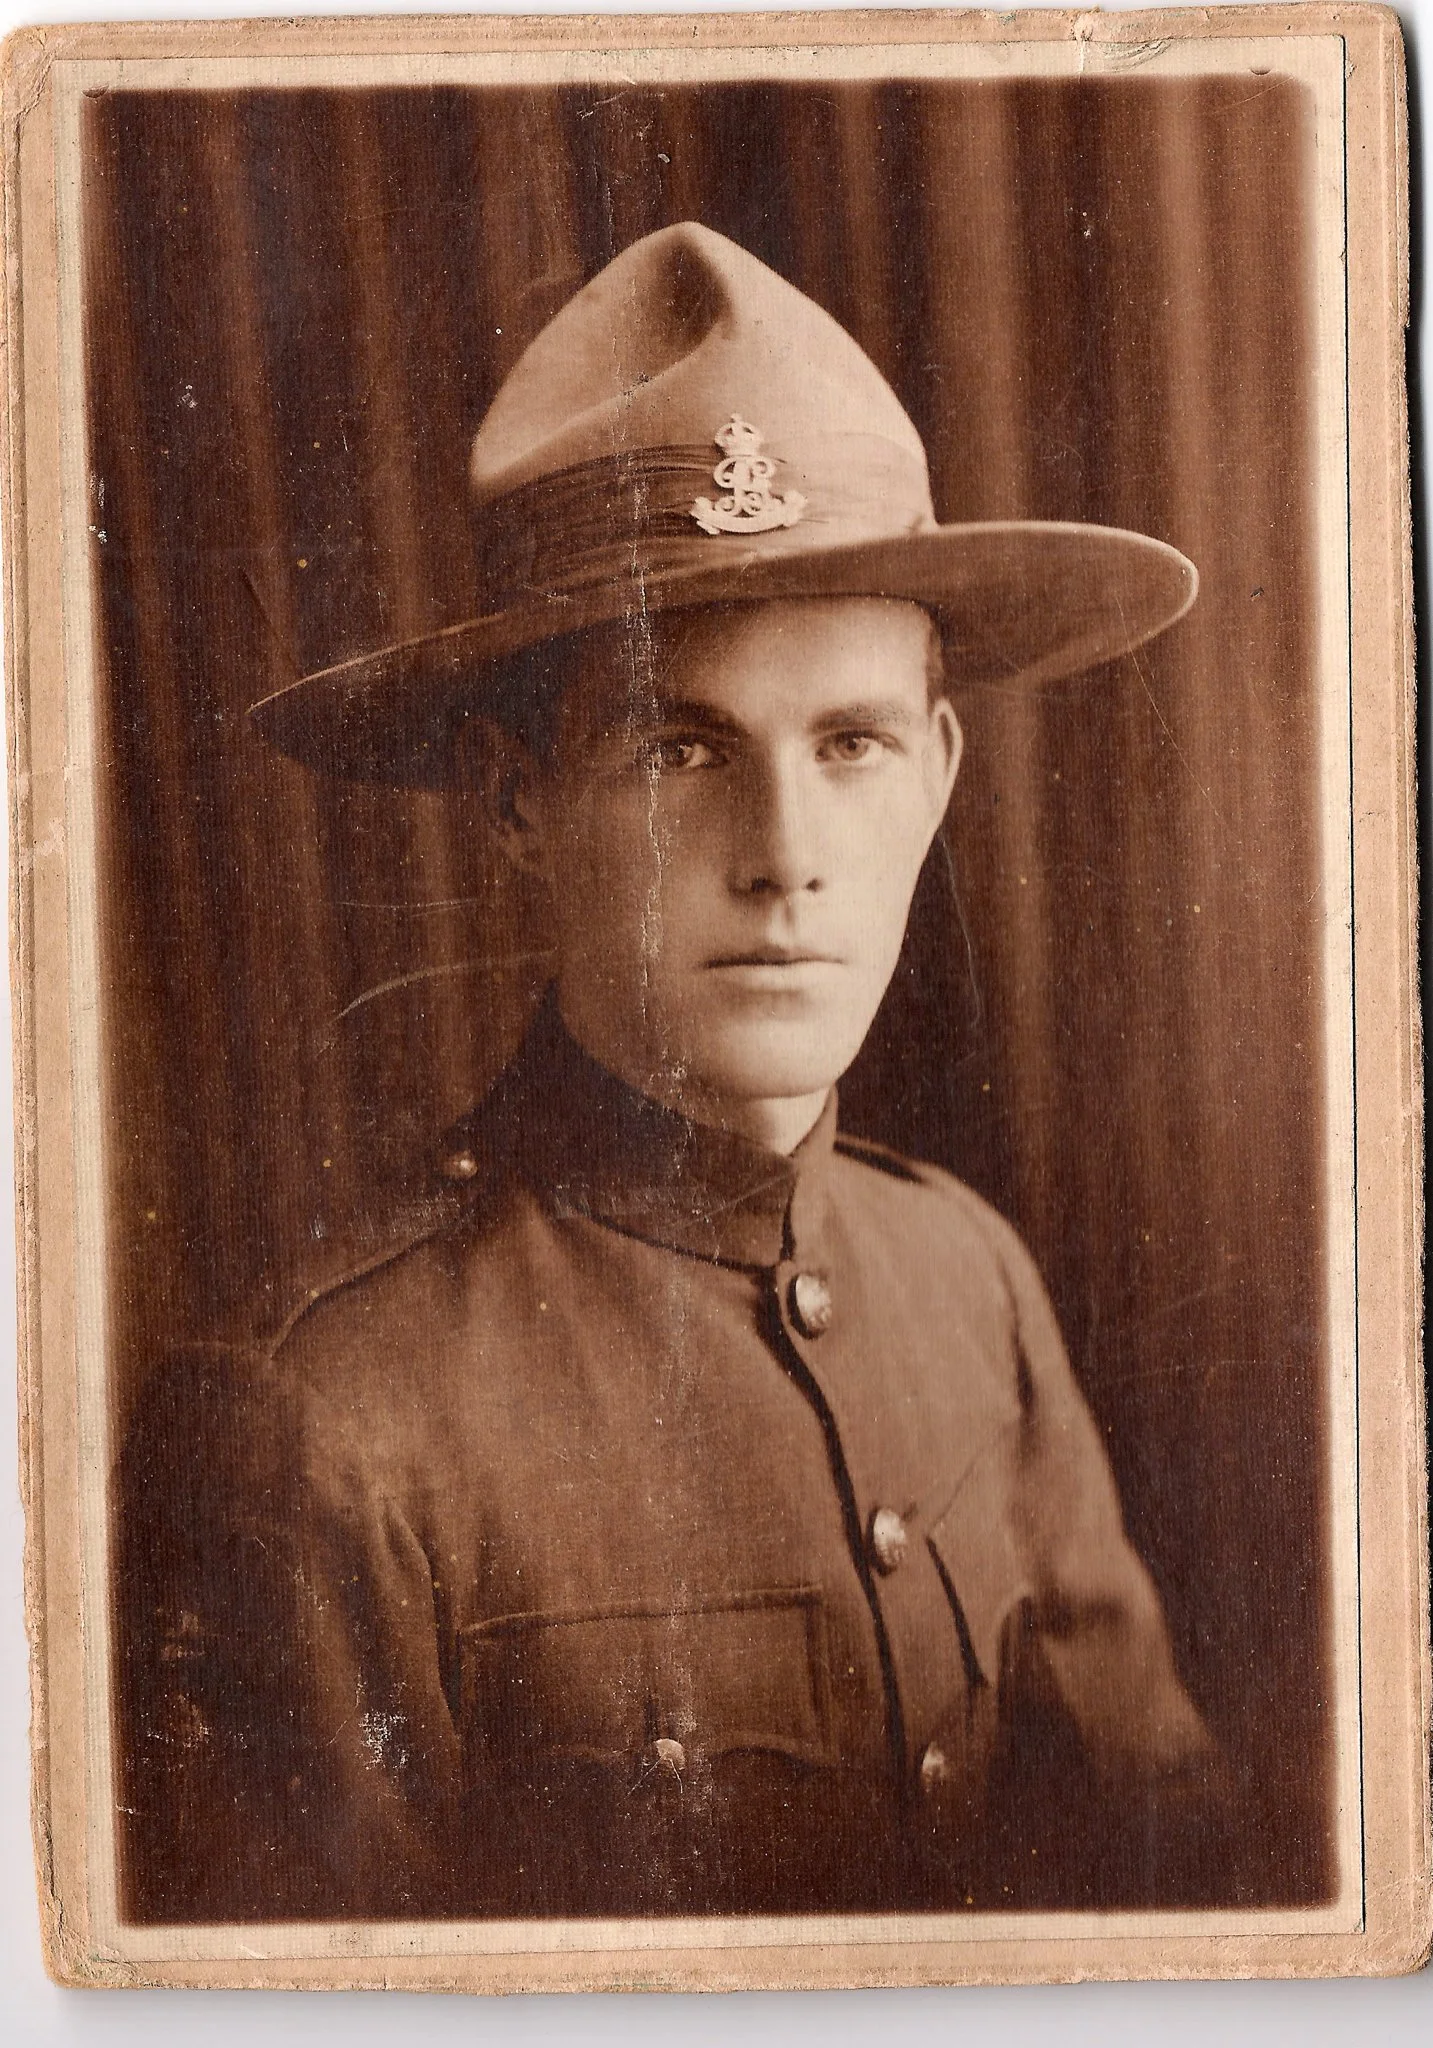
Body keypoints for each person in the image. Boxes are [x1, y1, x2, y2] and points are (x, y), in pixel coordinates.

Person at [119, 222, 1224, 1924]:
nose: (785, 855)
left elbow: (1178, 1873)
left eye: (850, 744)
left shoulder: (965, 1273)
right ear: (517, 804)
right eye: (679, 746)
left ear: (937, 775)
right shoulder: (322, 1423)